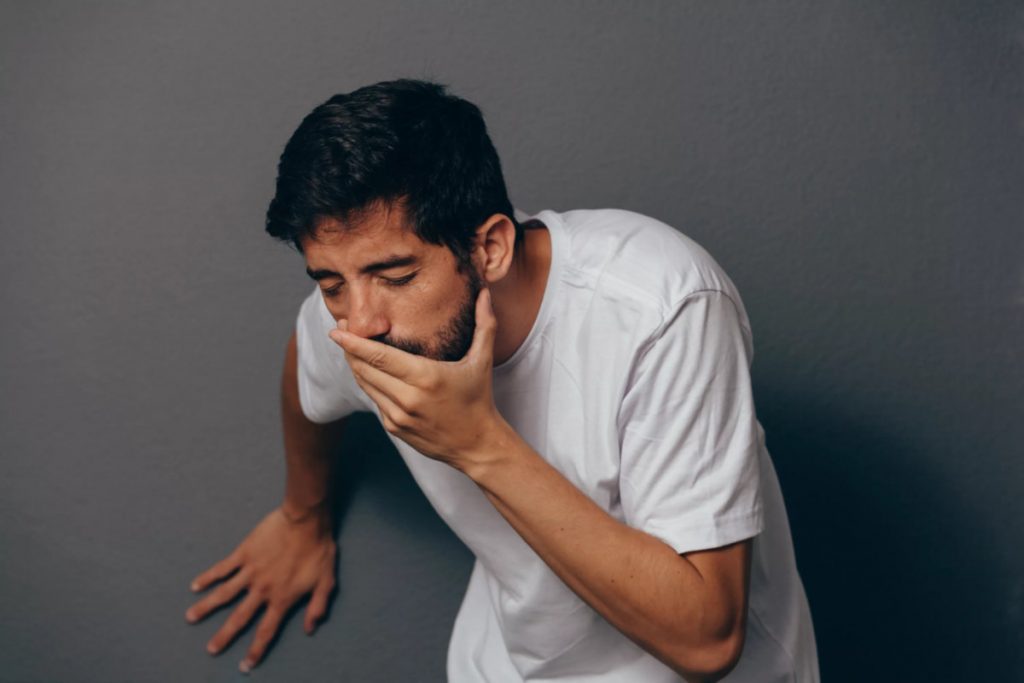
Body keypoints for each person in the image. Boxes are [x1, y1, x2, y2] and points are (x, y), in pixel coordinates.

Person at [184, 78, 819, 682]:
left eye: (398, 277)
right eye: (330, 284)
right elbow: (307, 356)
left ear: (490, 248)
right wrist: (302, 516)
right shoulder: (361, 315)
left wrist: (477, 443)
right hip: (506, 664)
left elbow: (707, 641)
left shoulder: (660, 307)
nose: (361, 324)